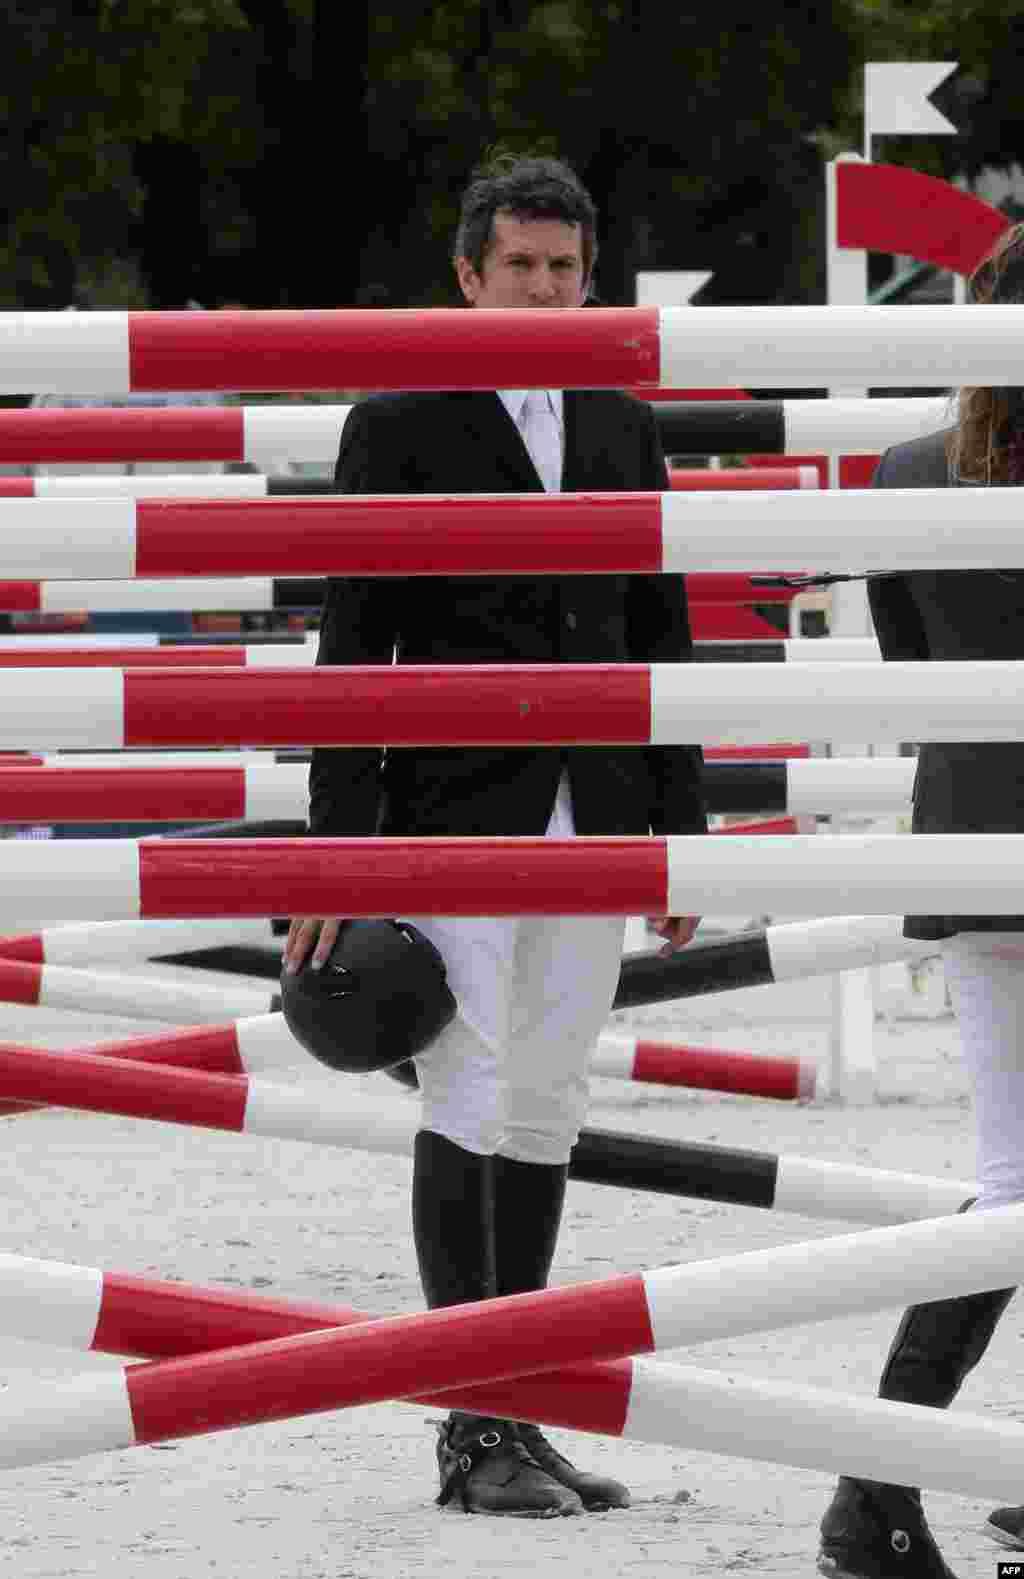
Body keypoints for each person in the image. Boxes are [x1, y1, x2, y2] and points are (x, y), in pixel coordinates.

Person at [284, 152, 707, 1517]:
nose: (542, 287)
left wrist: (680, 829)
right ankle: (470, 1432)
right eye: (519, 264)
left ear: (592, 281)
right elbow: (354, 642)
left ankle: (522, 1407)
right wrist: (338, 854)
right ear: (468, 275)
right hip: (451, 810)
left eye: (563, 269)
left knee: (549, 1100)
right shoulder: (397, 418)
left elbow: (658, 627)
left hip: (599, 806)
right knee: (467, 1090)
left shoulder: (624, 422)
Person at [816, 224, 1024, 1578]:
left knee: (1014, 1181)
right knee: (1014, 1190)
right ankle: (872, 1481)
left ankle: (882, 1484)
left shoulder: (904, 471)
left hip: (971, 836)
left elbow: (908, 667)